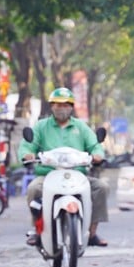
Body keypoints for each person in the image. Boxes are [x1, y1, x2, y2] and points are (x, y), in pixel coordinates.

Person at [19, 87, 109, 247]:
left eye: (66, 104)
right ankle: (38, 230)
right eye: (58, 104)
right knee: (34, 188)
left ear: (72, 107)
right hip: (48, 176)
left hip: (77, 175)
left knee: (101, 187)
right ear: (52, 106)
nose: (62, 108)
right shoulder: (41, 126)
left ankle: (92, 232)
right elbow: (27, 145)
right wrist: (27, 154)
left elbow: (95, 145)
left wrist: (98, 155)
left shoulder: (81, 127)